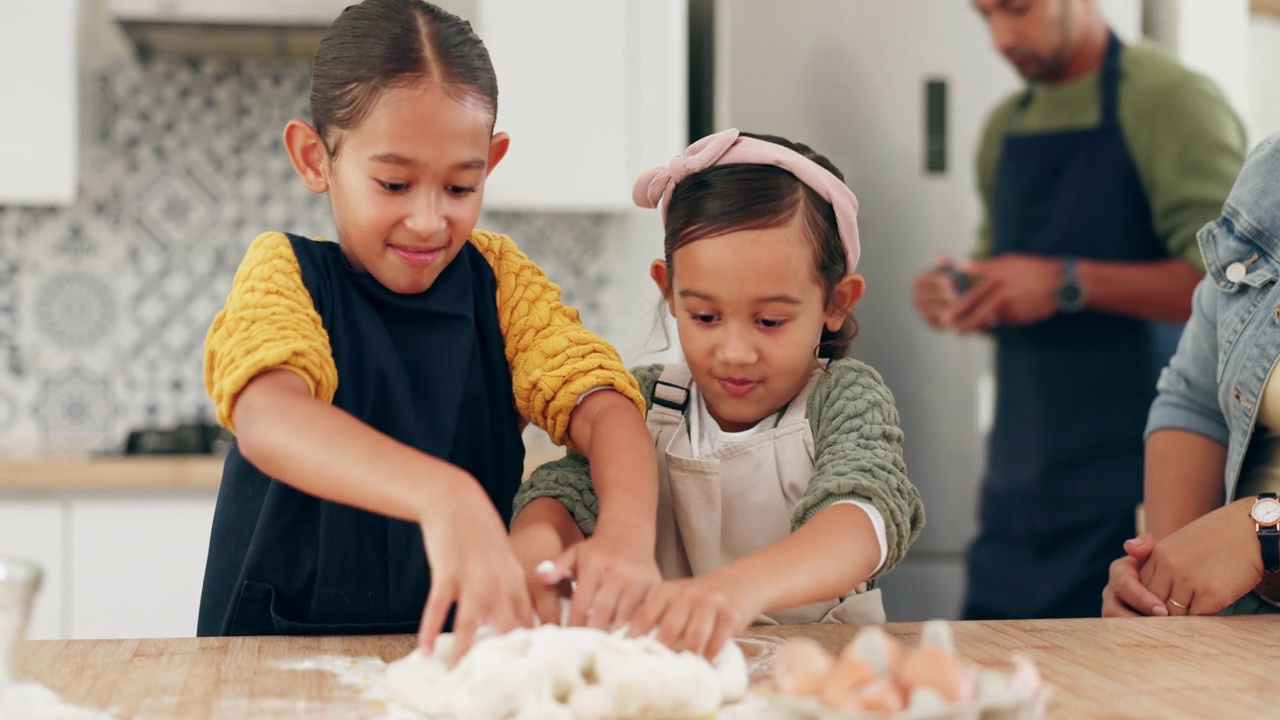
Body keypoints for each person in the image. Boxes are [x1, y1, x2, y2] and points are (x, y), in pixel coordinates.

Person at [196, 0, 662, 660]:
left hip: (458, 659)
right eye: (393, 183)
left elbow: (606, 408)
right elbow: (270, 418)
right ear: (314, 158)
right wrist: (445, 495)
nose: (427, 220)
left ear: (490, 164)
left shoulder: (502, 284)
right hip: (273, 659)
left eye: (459, 188)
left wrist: (625, 532)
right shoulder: (286, 272)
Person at [510, 129, 925, 658]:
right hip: (673, 683)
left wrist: (736, 588)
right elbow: (568, 492)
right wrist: (538, 544)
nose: (734, 351)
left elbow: (864, 516)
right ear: (669, 290)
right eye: (706, 316)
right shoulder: (640, 400)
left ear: (836, 302)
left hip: (822, 683)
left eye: (770, 320)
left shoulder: (843, 399)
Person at [912, 0, 1246, 619]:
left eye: (1016, 9)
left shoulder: (1172, 100)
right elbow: (1004, 274)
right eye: (985, 16)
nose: (1001, 37)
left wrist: (1069, 283)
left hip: (1134, 489)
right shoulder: (1004, 126)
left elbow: (1234, 289)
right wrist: (967, 294)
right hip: (1019, 486)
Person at [1103, 134, 1280, 618]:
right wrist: (1163, 587)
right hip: (1240, 632)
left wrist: (1263, 530)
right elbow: (1195, 399)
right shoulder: (1271, 180)